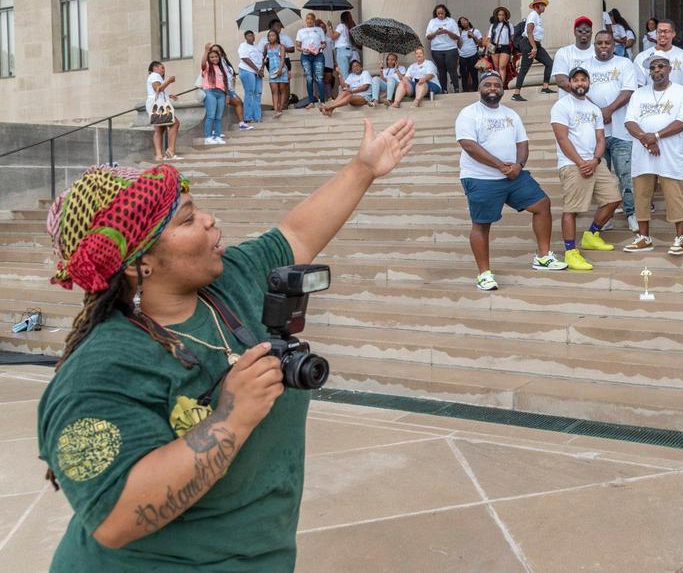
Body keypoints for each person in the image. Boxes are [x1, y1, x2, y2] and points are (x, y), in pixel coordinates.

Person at [36, 118, 414, 570]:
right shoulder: (99, 370)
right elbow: (115, 517)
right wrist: (232, 416)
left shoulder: (229, 282)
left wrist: (364, 167)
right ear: (141, 265)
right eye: (188, 218)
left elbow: (295, 235)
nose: (209, 220)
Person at [457, 70, 567, 290]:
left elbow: (522, 143)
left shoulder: (511, 114)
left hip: (513, 176)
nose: (492, 89)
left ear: (502, 89)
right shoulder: (469, 113)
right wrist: (500, 166)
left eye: (497, 85)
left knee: (542, 204)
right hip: (481, 178)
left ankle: (543, 257)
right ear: (480, 88)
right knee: (481, 224)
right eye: (487, 85)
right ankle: (484, 274)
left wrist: (519, 165)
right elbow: (468, 145)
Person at [550, 67, 623, 271]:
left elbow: (601, 138)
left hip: (594, 162)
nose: (580, 83)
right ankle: (570, 252)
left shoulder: (593, 109)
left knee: (613, 198)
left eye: (584, 80)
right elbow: (562, 138)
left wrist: (596, 159)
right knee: (571, 209)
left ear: (588, 83)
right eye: (576, 80)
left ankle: (591, 234)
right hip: (572, 164)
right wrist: (581, 162)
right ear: (570, 83)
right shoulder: (561, 106)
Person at [623, 54, 683, 255]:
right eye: (653, 68)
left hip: (670, 154)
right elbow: (629, 122)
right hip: (643, 153)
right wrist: (646, 140)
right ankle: (644, 238)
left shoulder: (681, 93)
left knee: (675, 196)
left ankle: (680, 239)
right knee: (642, 195)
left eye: (661, 66)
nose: (657, 71)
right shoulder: (639, 94)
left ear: (669, 69)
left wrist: (655, 136)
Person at [584, 30, 639, 233]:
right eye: (600, 43)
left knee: (626, 174)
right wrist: (598, 113)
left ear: (613, 44)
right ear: (594, 44)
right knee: (603, 177)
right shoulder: (586, 67)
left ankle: (632, 213)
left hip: (622, 132)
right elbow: (579, 92)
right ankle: (605, 216)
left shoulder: (624, 64)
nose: (604, 46)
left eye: (608, 43)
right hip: (596, 134)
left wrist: (609, 110)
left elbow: (628, 90)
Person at [513, 0, 556, 101]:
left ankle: (545, 87)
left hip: (535, 44)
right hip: (529, 44)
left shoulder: (537, 16)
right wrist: (534, 48)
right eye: (543, 5)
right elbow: (529, 31)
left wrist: (536, 47)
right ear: (537, 6)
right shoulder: (533, 15)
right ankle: (516, 94)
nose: (544, 7)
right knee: (524, 68)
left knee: (549, 63)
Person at [552, 16, 597, 96]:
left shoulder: (598, 52)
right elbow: (561, 82)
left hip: (594, 105)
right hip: (570, 104)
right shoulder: (563, 52)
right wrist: (586, 98)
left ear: (591, 33)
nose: (584, 33)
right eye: (580, 30)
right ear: (574, 32)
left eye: (587, 31)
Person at [146, 61, 181, 162]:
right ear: (155, 68)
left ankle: (159, 155)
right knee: (175, 123)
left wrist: (169, 96)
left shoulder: (154, 76)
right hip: (158, 105)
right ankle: (170, 151)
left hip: (155, 104)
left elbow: (157, 91)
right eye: (162, 67)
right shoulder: (155, 75)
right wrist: (169, 81)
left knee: (159, 130)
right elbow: (157, 89)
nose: (163, 69)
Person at [425, 4, 460, 93]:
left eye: (442, 13)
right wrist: (436, 33)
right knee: (441, 71)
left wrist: (447, 32)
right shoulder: (432, 22)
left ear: (445, 13)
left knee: (452, 69)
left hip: (450, 48)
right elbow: (428, 37)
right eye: (438, 13)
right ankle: (444, 90)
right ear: (436, 13)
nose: (440, 15)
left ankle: (456, 88)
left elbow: (457, 36)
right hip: (436, 50)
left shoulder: (451, 21)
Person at [213, 44, 248, 131]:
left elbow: (229, 75)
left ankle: (241, 123)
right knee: (236, 102)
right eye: (214, 51)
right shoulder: (215, 64)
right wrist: (227, 94)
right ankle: (215, 130)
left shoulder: (224, 61)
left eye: (218, 50)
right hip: (222, 89)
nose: (217, 52)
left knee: (239, 102)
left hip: (230, 88)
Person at [295, 13, 326, 108]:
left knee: (319, 78)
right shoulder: (301, 31)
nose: (309, 20)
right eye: (308, 19)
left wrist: (320, 47)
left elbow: (324, 44)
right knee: (309, 78)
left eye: (312, 19)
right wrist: (303, 49)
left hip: (318, 55)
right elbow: (297, 46)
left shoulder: (319, 30)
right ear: (305, 20)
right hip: (306, 56)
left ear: (314, 20)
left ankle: (323, 101)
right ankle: (311, 102)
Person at [200, 45, 228, 145]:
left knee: (218, 116)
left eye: (216, 57)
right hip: (210, 92)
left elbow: (225, 82)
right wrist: (206, 51)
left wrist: (227, 95)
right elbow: (203, 63)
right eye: (211, 57)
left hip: (221, 93)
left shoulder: (221, 68)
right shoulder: (207, 66)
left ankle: (217, 135)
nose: (214, 58)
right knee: (211, 115)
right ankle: (207, 137)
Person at [236, 30, 264, 124]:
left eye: (252, 35)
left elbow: (262, 59)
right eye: (248, 36)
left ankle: (257, 117)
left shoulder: (256, 46)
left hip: (258, 72)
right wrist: (257, 69)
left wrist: (261, 69)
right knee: (250, 92)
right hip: (247, 71)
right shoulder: (243, 46)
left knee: (258, 93)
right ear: (245, 37)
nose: (251, 37)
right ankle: (248, 117)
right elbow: (245, 58)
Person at [263, 28, 289, 119]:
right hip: (272, 71)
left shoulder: (281, 46)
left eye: (273, 35)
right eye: (270, 36)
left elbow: (282, 59)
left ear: (277, 37)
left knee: (282, 90)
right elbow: (264, 57)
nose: (271, 37)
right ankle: (275, 110)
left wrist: (280, 69)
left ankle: (280, 109)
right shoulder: (266, 46)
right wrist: (263, 67)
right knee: (274, 91)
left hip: (281, 70)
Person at [487, 6, 514, 82]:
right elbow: (489, 38)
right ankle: (498, 83)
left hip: (505, 47)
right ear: (497, 16)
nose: (501, 16)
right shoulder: (493, 26)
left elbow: (512, 38)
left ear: (505, 16)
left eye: (503, 15)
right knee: (496, 67)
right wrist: (487, 51)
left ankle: (501, 84)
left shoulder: (509, 25)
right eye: (499, 14)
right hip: (494, 47)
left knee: (502, 66)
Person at [456, 16, 482, 92]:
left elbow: (480, 44)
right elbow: (458, 46)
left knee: (474, 74)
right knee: (464, 75)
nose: (463, 22)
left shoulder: (476, 31)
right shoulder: (460, 33)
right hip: (462, 56)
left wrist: (474, 36)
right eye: (461, 22)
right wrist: (459, 37)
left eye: (464, 20)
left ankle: (475, 90)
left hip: (473, 55)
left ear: (468, 21)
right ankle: (465, 91)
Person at [333, 11, 356, 80]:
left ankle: (346, 89)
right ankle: (345, 88)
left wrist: (330, 28)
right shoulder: (348, 27)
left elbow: (334, 37)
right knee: (346, 72)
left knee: (343, 74)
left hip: (342, 50)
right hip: (348, 50)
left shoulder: (341, 26)